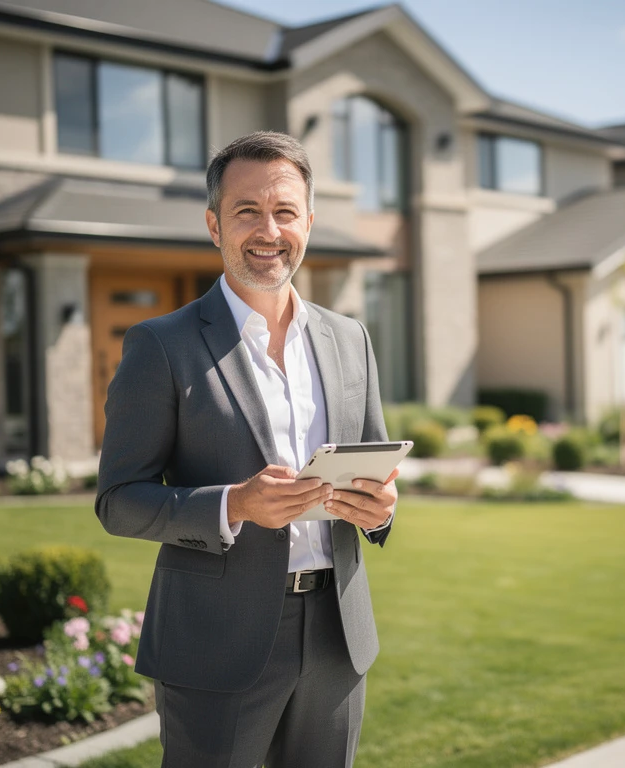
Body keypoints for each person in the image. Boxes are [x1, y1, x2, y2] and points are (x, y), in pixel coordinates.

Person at [96, 130, 398, 768]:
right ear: (214, 224)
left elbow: (376, 469)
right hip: (213, 642)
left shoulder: (351, 339)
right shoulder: (161, 344)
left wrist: (381, 509)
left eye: (285, 211)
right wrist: (235, 504)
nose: (269, 229)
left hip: (338, 639)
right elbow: (119, 502)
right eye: (246, 212)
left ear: (308, 222)